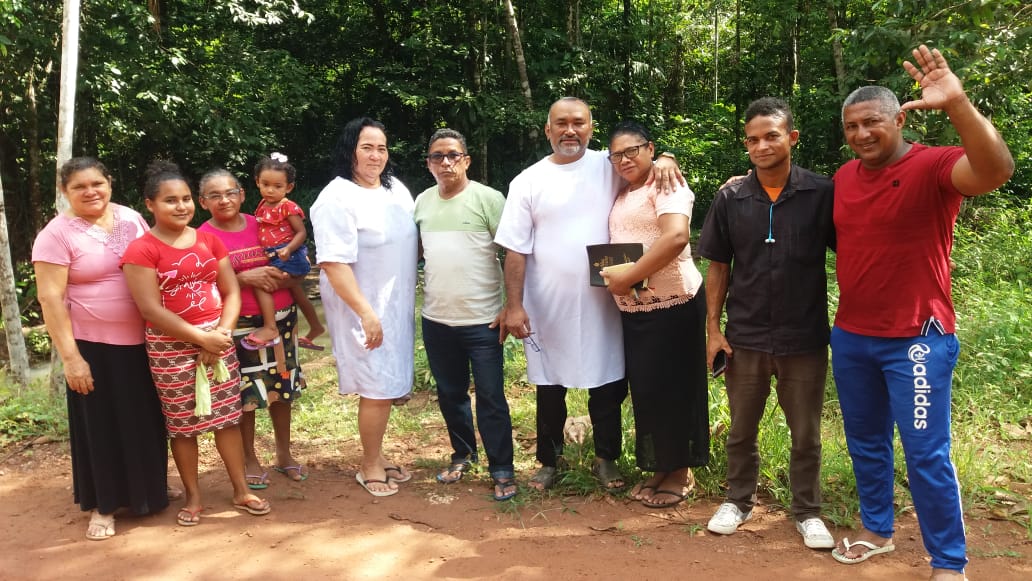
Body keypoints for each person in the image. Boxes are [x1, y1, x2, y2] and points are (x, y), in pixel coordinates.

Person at [829, 45, 1014, 581]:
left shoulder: (932, 164)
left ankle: (949, 562)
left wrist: (957, 102)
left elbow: (996, 169)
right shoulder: (843, 178)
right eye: (851, 127)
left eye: (872, 123)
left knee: (925, 452)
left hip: (917, 339)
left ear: (899, 119)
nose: (862, 134)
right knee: (866, 444)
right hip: (852, 337)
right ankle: (876, 531)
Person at [494, 97, 682, 491]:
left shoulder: (607, 165)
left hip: (607, 301)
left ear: (591, 128)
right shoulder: (527, 181)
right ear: (548, 130)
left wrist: (666, 156)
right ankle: (549, 459)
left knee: (608, 383)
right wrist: (514, 305)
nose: (570, 130)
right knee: (549, 386)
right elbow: (516, 249)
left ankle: (606, 458)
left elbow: (646, 167)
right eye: (561, 123)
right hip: (547, 304)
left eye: (578, 123)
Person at [697, 97, 836, 549]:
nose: (762, 145)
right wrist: (713, 330)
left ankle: (807, 511)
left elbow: (852, 256)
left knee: (806, 432)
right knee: (741, 428)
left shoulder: (821, 192)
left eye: (771, 135)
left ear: (792, 138)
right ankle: (738, 500)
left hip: (805, 337)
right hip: (747, 336)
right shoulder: (732, 196)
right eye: (753, 139)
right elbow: (717, 265)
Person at [122, 160, 272, 526]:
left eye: (186, 198)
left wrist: (220, 335)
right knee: (182, 425)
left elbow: (230, 290)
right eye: (171, 200)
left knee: (227, 419)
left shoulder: (209, 239)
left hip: (218, 338)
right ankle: (193, 497)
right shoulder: (140, 250)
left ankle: (240, 489)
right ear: (150, 205)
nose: (182, 206)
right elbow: (150, 309)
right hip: (169, 348)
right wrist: (201, 338)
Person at [32, 157, 170, 541]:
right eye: (79, 187)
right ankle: (104, 505)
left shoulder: (130, 218)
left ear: (110, 183)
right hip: (93, 347)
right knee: (101, 426)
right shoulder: (55, 235)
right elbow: (50, 298)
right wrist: (71, 358)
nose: (91, 191)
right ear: (64, 192)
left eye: (97, 183)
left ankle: (149, 492)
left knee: (145, 419)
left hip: (145, 339)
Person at [601, 121, 709, 508]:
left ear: (651, 149)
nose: (625, 159)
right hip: (636, 308)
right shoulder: (625, 190)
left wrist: (627, 276)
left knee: (677, 388)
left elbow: (676, 237)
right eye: (617, 154)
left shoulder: (668, 183)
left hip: (675, 304)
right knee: (649, 390)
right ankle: (661, 467)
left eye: (633, 151)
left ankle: (681, 471)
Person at [311, 117, 417, 497]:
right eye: (367, 147)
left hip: (396, 303)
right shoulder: (336, 197)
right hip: (361, 304)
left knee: (386, 383)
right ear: (349, 151)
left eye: (382, 148)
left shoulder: (395, 191)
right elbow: (334, 263)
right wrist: (366, 312)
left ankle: (379, 453)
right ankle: (369, 463)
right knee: (375, 384)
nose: (376, 155)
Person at [413, 128, 516, 501]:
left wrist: (511, 305)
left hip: (484, 319)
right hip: (438, 319)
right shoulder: (422, 202)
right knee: (450, 393)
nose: (445, 162)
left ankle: (502, 468)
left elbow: (513, 252)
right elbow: (418, 254)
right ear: (428, 164)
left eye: (452, 155)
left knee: (491, 395)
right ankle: (463, 454)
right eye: (437, 156)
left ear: (466, 160)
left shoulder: (488, 199)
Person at [197, 168, 308, 487]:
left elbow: (296, 265)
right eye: (214, 195)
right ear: (203, 202)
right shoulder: (202, 237)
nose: (224, 200)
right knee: (245, 395)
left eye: (230, 192)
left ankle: (284, 454)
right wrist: (244, 278)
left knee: (281, 390)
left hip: (282, 316)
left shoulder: (266, 223)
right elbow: (202, 286)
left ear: (243, 194)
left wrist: (286, 275)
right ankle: (249, 457)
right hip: (237, 324)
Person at [239, 153, 325, 358]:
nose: (270, 190)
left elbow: (302, 233)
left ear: (288, 188)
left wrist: (288, 250)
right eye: (265, 184)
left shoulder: (288, 207)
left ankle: (270, 327)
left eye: (277, 186)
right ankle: (316, 326)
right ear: (257, 182)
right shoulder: (262, 205)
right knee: (297, 291)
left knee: (263, 283)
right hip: (275, 255)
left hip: (290, 255)